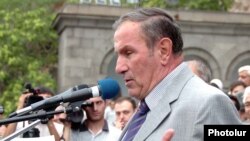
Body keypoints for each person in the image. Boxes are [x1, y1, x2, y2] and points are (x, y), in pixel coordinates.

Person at [112, 7, 242, 141]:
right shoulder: (144, 108)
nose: (119, 68)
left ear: (164, 50)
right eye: (118, 55)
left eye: (128, 53)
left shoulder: (210, 103)